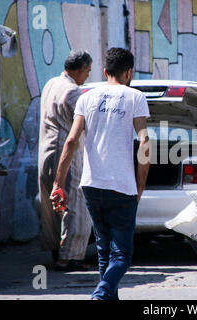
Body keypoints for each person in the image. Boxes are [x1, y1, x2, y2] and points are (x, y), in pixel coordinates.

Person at [50, 47, 150, 300]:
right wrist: (140, 186)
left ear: (105, 71)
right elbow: (145, 143)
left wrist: (57, 184)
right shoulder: (135, 97)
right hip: (122, 187)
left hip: (91, 186)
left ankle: (106, 297)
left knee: (105, 252)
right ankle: (102, 293)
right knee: (122, 255)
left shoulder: (86, 97)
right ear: (129, 73)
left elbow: (71, 141)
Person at [38, 50, 93, 271]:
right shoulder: (73, 92)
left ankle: (56, 251)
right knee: (74, 204)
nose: (87, 76)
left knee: (53, 205)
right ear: (79, 69)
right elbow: (87, 124)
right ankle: (70, 257)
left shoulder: (52, 83)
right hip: (66, 154)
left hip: (46, 151)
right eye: (87, 71)